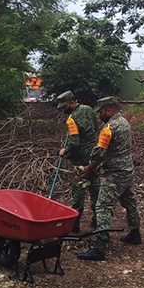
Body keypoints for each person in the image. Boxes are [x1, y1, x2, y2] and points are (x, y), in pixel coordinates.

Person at [77, 97, 141, 261]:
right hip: (127, 170)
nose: (100, 115)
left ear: (108, 110)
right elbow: (117, 149)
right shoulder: (124, 122)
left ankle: (100, 247)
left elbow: (99, 152)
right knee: (129, 201)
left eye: (101, 111)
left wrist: (91, 167)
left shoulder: (108, 128)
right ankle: (135, 233)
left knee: (103, 206)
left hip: (114, 174)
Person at [56, 91, 100, 233]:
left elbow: (74, 142)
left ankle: (74, 226)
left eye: (64, 106)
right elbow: (96, 129)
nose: (63, 109)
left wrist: (65, 152)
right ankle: (98, 222)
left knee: (78, 194)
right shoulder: (89, 109)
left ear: (72, 102)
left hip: (79, 163)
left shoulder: (71, 119)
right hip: (93, 160)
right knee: (95, 191)